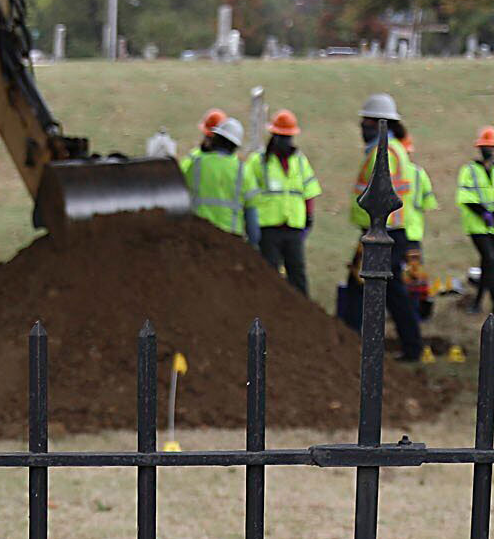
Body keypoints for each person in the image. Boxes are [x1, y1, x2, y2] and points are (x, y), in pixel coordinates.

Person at [336, 92, 428, 362]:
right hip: (389, 230)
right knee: (386, 290)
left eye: (366, 123)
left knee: (365, 287)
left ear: (378, 123)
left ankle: (352, 343)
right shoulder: (396, 149)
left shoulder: (383, 152)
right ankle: (411, 345)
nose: (362, 128)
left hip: (381, 230)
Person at [243, 110, 321, 295]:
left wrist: (309, 217)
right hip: (268, 227)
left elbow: (309, 191)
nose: (285, 141)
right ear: (274, 136)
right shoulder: (259, 161)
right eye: (281, 136)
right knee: (269, 275)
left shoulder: (300, 161)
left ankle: (302, 313)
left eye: (288, 137)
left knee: (297, 275)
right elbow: (248, 193)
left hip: (293, 227)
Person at [456, 125, 494, 315]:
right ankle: (490, 303)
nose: (488, 150)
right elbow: (465, 198)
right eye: (485, 147)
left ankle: (484, 303)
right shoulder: (469, 170)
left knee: (490, 263)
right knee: (490, 259)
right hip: (477, 225)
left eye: (491, 147)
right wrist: (484, 213)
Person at [182, 114, 247, 235]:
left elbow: (180, 187)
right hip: (231, 233)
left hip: (200, 232)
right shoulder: (241, 168)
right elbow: (251, 206)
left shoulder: (195, 161)